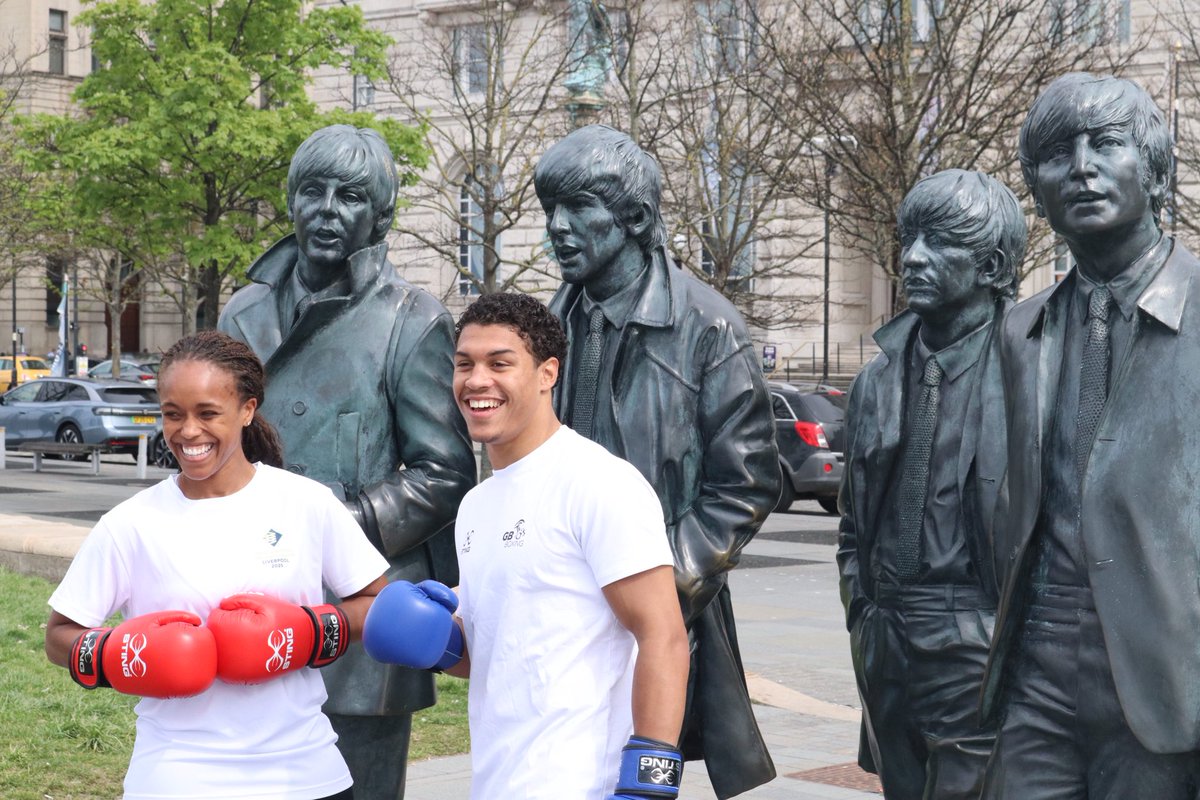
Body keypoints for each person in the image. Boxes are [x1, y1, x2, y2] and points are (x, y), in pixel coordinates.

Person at [217, 124, 476, 797]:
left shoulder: (411, 320)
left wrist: (334, 522)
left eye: (351, 197)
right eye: (314, 191)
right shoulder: (244, 312)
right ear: (291, 199)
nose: (328, 209)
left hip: (363, 610)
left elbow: (443, 472)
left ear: (380, 216)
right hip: (257, 595)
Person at [361, 292, 691, 799]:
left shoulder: (598, 482)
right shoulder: (476, 504)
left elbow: (663, 635)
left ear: (547, 373)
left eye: (500, 363)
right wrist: (438, 643)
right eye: (464, 364)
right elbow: (497, 650)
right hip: (498, 779)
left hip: (584, 783)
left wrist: (649, 785)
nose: (477, 381)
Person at [533, 124, 781, 799]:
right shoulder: (546, 327)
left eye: (577, 207)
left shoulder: (708, 327)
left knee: (638, 780)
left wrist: (658, 589)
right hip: (557, 613)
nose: (557, 226)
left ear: (634, 218)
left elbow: (747, 483)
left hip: (658, 616)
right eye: (549, 209)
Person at [44, 330, 389, 800]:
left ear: (247, 410)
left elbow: (375, 600)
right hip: (175, 776)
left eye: (208, 413)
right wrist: (122, 656)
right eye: (172, 414)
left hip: (304, 774)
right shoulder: (129, 524)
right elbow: (59, 635)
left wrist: (308, 633)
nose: (188, 432)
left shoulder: (306, 503)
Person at [980, 73, 1200, 797]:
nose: (1081, 166)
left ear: (1156, 170)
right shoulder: (1022, 327)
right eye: (1057, 154)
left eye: (1106, 145)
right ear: (1037, 192)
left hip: (1169, 679)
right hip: (1037, 671)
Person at [837, 169, 1024, 799]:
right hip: (887, 635)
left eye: (939, 242)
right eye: (908, 237)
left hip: (979, 634)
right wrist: (862, 612)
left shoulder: (1035, 369)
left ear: (993, 264)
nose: (912, 258)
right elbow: (854, 522)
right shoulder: (877, 379)